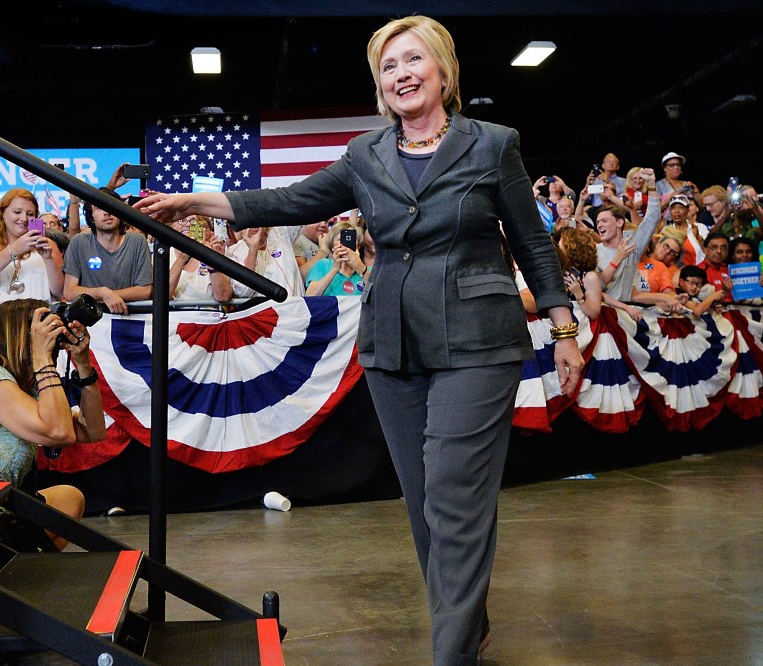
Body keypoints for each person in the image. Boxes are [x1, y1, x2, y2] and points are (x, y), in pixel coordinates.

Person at [136, 15, 584, 665]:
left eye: (413, 59)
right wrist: (194, 204)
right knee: (425, 503)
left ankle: (452, 653)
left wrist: (563, 328)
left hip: (479, 342)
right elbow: (290, 201)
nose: (402, 74)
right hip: (392, 342)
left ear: (444, 69)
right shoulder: (365, 155)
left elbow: (533, 243)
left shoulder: (493, 145)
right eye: (388, 66)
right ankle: (469, 619)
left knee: (453, 494)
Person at [0, 298, 106, 550]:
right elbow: (60, 432)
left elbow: (93, 431)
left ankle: (18, 563)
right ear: (18, 336)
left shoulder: (23, 388)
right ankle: (7, 566)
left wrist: (83, 363)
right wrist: (42, 359)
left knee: (70, 498)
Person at [0, 188, 64, 304]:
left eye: (30, 214)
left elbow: (59, 292)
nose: (24, 218)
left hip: (36, 313)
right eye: (17, 212)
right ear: (2, 213)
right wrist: (14, 250)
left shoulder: (46, 244)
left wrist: (48, 259)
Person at [63, 192, 152, 314]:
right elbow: (69, 291)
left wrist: (110, 295)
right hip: (90, 318)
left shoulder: (137, 241)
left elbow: (145, 290)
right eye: (98, 208)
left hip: (131, 317)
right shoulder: (79, 242)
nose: (106, 212)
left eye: (110, 206)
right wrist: (102, 293)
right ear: (91, 218)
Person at [594, 172, 662, 302]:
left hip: (628, 310)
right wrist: (618, 257)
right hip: (604, 310)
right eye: (597, 222)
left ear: (619, 222)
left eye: (604, 221)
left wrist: (651, 184)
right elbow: (596, 288)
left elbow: (652, 219)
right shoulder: (594, 251)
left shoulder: (632, 247)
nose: (599, 225)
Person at [168, 216, 234, 302]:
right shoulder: (164, 253)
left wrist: (211, 260)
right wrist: (182, 258)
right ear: (172, 226)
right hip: (173, 310)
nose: (188, 224)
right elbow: (163, 295)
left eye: (193, 220)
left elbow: (223, 296)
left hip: (207, 309)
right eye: (182, 220)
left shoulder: (213, 251)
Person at [305, 221, 371, 296]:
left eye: (352, 240)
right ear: (332, 246)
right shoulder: (322, 265)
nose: (345, 245)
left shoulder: (367, 270)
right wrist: (334, 269)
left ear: (358, 245)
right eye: (340, 240)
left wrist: (360, 266)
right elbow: (310, 296)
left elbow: (379, 294)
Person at [698, 232, 734, 303]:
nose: (719, 251)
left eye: (723, 248)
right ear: (705, 250)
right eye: (714, 247)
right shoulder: (699, 271)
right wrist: (724, 290)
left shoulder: (732, 269)